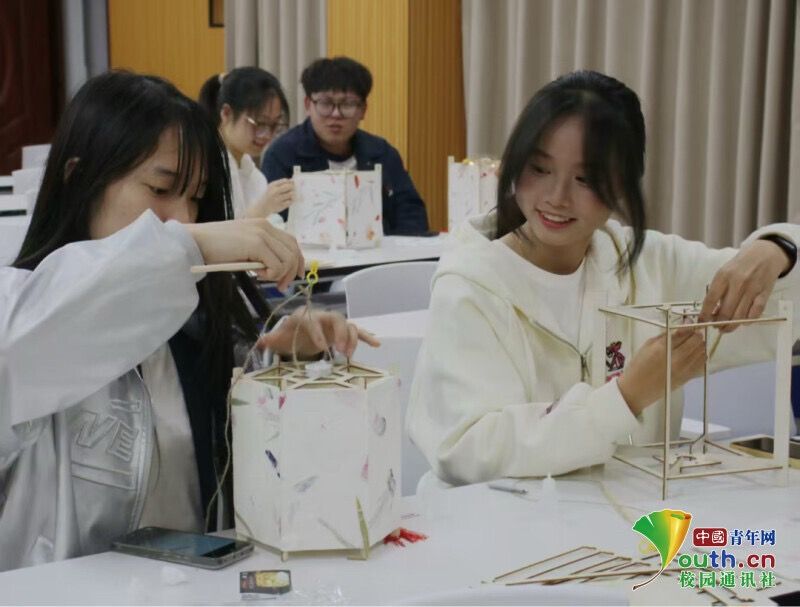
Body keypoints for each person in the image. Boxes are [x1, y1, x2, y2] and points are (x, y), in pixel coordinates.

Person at [0, 71, 377, 572]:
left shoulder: (194, 323)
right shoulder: (20, 309)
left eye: (196, 197)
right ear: (79, 178)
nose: (183, 216)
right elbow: (19, 355)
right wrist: (188, 246)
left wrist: (278, 358)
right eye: (160, 188)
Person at [407, 70, 800, 486]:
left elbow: (779, 309)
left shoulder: (649, 264)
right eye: (539, 168)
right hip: (510, 523)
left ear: (623, 185)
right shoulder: (470, 286)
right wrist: (626, 397)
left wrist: (779, 248)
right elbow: (468, 450)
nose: (556, 197)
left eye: (585, 179)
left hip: (638, 519)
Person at [262, 56, 430, 235]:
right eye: (326, 103)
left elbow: (412, 214)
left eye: (348, 104)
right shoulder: (283, 155)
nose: (336, 114)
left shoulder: (382, 153)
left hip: (378, 250)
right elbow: (274, 222)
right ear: (308, 105)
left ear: (363, 110)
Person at [198, 67, 294, 222]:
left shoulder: (251, 172)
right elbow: (209, 232)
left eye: (274, 125)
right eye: (260, 123)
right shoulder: (204, 166)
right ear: (226, 113)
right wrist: (262, 209)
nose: (267, 135)